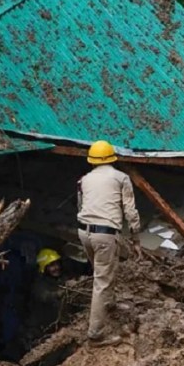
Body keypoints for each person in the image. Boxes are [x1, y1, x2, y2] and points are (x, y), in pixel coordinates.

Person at [77, 140, 141, 347]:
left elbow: (80, 205)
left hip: (83, 231)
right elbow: (130, 211)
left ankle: (109, 304)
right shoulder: (121, 178)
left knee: (102, 271)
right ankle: (96, 335)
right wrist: (136, 238)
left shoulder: (84, 179)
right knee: (102, 280)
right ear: (112, 158)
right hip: (105, 234)